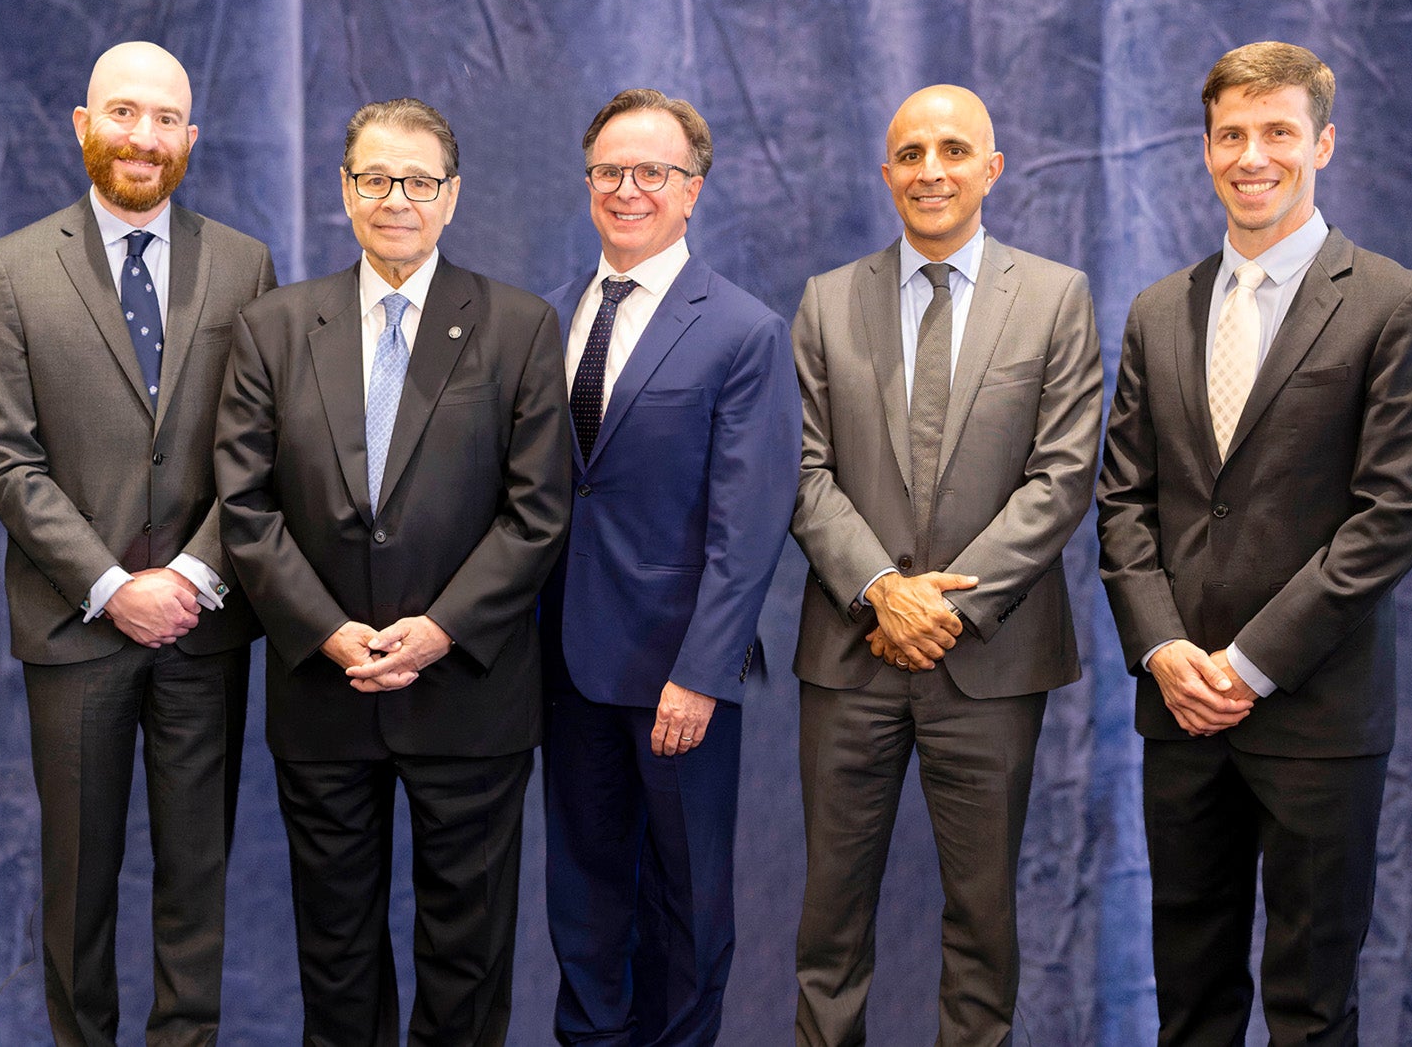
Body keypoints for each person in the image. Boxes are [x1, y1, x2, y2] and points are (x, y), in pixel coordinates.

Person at [1096, 41, 1412, 1046]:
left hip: (1313, 713)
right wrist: (1164, 650)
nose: (1254, 155)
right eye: (1231, 134)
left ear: (1321, 142)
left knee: (1306, 1006)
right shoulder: (1157, 310)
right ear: (1205, 149)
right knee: (1190, 1001)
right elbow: (1122, 501)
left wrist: (1247, 665)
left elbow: (1393, 512)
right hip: (1177, 710)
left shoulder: (1391, 302)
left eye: (1277, 132)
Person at [214, 97, 570, 1047]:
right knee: (335, 956)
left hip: (467, 689)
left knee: (468, 957)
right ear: (344, 191)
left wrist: (440, 628)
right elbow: (245, 511)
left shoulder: (522, 327)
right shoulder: (274, 327)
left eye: (418, 180)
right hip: (323, 689)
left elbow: (539, 512)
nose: (396, 198)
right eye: (376, 178)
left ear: (451, 197)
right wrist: (328, 632)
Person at [0, 40, 275, 1045]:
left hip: (204, 623)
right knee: (76, 889)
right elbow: (5, 460)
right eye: (125, 113)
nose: (144, 137)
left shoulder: (244, 264)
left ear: (191, 134)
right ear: (82, 123)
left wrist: (187, 573)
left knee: (197, 886)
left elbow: (262, 453)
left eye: (166, 119)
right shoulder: (11, 270)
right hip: (75, 628)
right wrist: (109, 582)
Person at [787, 84, 1102, 1045]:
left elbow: (1062, 475)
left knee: (983, 921)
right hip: (852, 657)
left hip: (992, 664)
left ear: (992, 169)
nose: (932, 171)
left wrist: (945, 609)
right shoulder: (825, 301)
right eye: (912, 154)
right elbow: (800, 470)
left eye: (954, 151)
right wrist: (884, 591)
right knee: (830, 925)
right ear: (887, 173)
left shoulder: (1056, 297)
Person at [536, 88, 800, 1045]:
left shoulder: (743, 331)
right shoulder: (554, 315)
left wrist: (698, 673)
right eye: (610, 171)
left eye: (652, 172)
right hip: (564, 668)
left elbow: (752, 525)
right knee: (584, 903)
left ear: (693, 191)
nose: (627, 189)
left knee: (686, 913)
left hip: (677, 680)